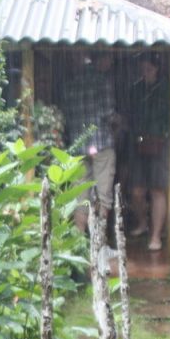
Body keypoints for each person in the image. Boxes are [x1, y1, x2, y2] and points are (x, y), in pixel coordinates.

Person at [60, 52, 121, 234]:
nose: (111, 63)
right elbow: (109, 113)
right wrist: (121, 123)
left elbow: (66, 115)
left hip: (78, 146)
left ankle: (79, 241)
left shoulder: (69, 84)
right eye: (110, 59)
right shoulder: (103, 81)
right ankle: (99, 241)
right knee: (103, 195)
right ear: (101, 59)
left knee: (80, 195)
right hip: (101, 144)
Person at [127, 52, 170, 251]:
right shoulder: (135, 90)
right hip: (138, 143)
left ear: (157, 69)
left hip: (161, 144)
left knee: (158, 190)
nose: (145, 73)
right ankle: (143, 223)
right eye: (142, 69)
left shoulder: (167, 89)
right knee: (136, 191)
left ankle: (155, 236)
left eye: (149, 69)